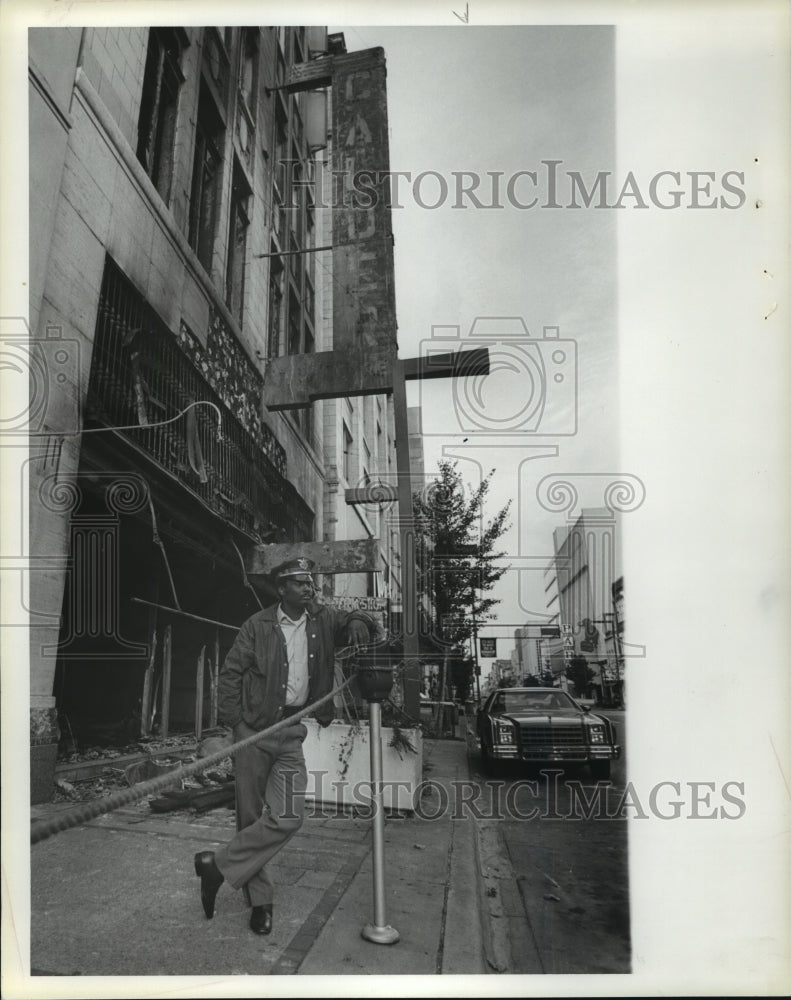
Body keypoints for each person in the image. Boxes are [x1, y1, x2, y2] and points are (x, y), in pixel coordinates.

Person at [193, 557, 374, 935]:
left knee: (289, 815)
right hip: (255, 732)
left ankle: (217, 866)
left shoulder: (323, 619)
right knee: (250, 817)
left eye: (310, 581)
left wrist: (358, 620)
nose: (309, 587)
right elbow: (229, 676)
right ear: (281, 590)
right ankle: (260, 902)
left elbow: (362, 617)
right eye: (299, 582)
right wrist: (238, 726)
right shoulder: (256, 626)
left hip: (292, 731)